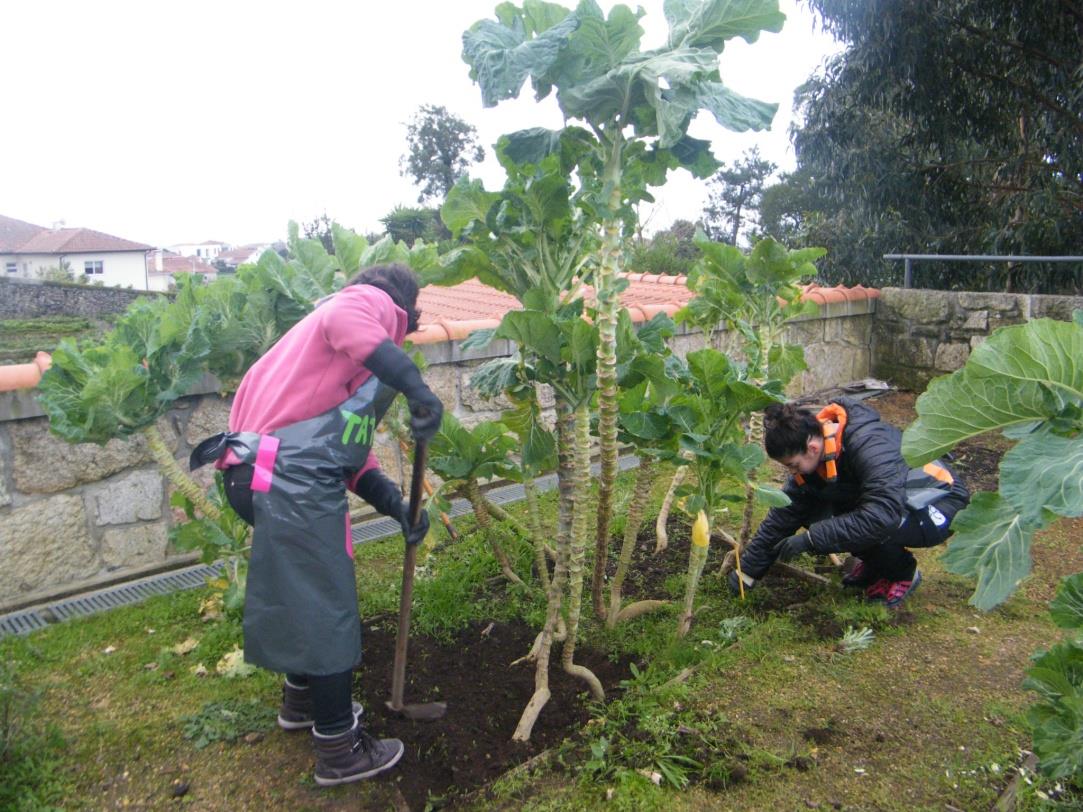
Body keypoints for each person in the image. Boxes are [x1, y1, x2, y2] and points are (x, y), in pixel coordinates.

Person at [190, 263, 443, 786]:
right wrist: (418, 388)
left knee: (306, 593)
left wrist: (397, 506)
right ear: (402, 313)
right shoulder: (362, 305)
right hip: (290, 479)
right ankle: (339, 749)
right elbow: (350, 318)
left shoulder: (310, 360)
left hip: (254, 475)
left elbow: (344, 452)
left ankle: (301, 701)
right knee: (327, 605)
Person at [727, 397, 969, 608]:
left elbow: (882, 515)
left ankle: (903, 574)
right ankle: (878, 567)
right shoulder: (817, 460)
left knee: (861, 523)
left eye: (792, 465)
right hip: (901, 503)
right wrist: (747, 571)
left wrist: (811, 540)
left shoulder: (868, 444)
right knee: (826, 515)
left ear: (812, 447)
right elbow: (783, 516)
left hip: (939, 502)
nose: (791, 472)